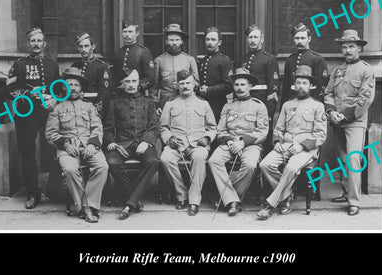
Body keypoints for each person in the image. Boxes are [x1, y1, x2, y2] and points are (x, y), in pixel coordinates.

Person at [257, 65, 327, 220]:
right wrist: (277, 142)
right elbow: (278, 128)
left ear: (311, 86)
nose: (300, 86)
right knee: (264, 165)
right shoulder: (287, 105)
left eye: (304, 83)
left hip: (307, 149)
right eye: (298, 83)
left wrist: (302, 146)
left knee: (291, 167)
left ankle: (270, 205)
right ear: (294, 85)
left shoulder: (318, 106)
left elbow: (321, 135)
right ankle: (287, 196)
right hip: (285, 145)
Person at [5, 27, 60, 209]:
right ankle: (32, 193)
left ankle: (54, 190)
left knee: (54, 150)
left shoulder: (53, 64)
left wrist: (54, 99)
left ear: (45, 43)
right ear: (28, 44)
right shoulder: (19, 65)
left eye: (39, 41)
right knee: (28, 153)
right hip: (26, 114)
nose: (36, 44)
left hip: (48, 113)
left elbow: (59, 89)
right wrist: (28, 94)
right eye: (32, 41)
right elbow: (10, 90)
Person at [45, 67, 109, 223]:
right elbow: (50, 134)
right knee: (70, 169)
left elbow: (97, 128)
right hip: (67, 149)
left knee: (102, 166)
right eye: (69, 85)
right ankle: (83, 207)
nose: (72, 88)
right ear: (63, 87)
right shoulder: (57, 109)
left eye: (76, 85)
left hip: (89, 147)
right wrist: (65, 144)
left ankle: (90, 204)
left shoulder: (89, 107)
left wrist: (93, 145)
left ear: (81, 88)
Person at [323, 29, 375, 216]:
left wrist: (342, 115)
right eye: (344, 47)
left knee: (353, 158)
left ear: (359, 48)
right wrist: (331, 112)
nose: (347, 50)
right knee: (342, 158)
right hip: (337, 121)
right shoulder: (337, 71)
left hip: (355, 122)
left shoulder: (366, 70)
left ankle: (354, 202)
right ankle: (346, 192)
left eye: (351, 46)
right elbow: (328, 93)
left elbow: (365, 100)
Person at [208, 68, 269, 216]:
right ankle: (233, 201)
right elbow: (220, 130)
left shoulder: (259, 105)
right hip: (228, 144)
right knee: (213, 161)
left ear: (250, 87)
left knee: (249, 165)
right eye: (236, 85)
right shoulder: (228, 106)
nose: (239, 88)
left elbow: (262, 131)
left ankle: (229, 198)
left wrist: (242, 142)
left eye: (243, 85)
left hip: (251, 145)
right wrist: (229, 142)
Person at [103, 69, 160, 220]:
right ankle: (134, 199)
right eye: (127, 81)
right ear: (122, 84)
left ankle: (129, 203)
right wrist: (111, 142)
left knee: (153, 161)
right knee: (112, 162)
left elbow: (154, 126)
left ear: (139, 82)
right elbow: (108, 127)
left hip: (143, 143)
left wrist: (147, 141)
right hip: (123, 144)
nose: (131, 85)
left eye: (134, 81)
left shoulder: (149, 102)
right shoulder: (115, 103)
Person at [159, 70, 217, 216]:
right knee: (165, 159)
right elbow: (163, 127)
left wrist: (207, 138)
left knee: (199, 157)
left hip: (198, 144)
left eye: (188, 83)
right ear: (177, 85)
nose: (185, 86)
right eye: (182, 83)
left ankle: (194, 201)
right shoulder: (170, 104)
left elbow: (212, 127)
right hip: (176, 144)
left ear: (194, 84)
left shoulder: (203, 104)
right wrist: (169, 138)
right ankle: (182, 195)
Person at [239, 24, 279, 152]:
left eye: (255, 37)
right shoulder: (244, 59)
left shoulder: (269, 59)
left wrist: (269, 111)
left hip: (262, 101)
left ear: (261, 39)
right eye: (250, 37)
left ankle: (264, 166)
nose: (252, 40)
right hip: (246, 102)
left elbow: (273, 88)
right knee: (248, 131)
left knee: (264, 134)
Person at [152, 24, 199, 110]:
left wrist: (184, 85)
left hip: (186, 101)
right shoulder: (159, 60)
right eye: (171, 40)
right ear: (166, 41)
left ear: (181, 41)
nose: (174, 43)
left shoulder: (189, 59)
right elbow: (154, 87)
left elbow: (196, 83)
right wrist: (156, 105)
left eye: (177, 40)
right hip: (165, 102)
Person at [281, 23, 328, 106]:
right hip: (291, 104)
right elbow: (286, 88)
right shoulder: (290, 60)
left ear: (309, 39)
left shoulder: (317, 59)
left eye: (302, 38)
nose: (299, 41)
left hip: (310, 105)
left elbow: (321, 88)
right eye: (297, 38)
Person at [71, 32, 112, 119]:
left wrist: (95, 111)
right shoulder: (75, 65)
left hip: (93, 106)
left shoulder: (101, 66)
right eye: (80, 47)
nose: (83, 49)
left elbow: (104, 93)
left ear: (93, 46)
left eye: (86, 46)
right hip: (76, 107)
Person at [197, 26, 234, 122]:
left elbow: (229, 86)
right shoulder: (202, 61)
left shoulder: (225, 60)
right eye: (207, 39)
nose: (209, 42)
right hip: (202, 105)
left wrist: (209, 90)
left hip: (218, 106)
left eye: (213, 39)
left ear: (219, 42)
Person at [111, 20, 156, 93]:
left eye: (130, 32)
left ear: (137, 33)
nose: (127, 35)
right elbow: (113, 76)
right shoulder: (118, 53)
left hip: (139, 94)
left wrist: (136, 87)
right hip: (120, 95)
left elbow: (151, 79)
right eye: (125, 32)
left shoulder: (144, 52)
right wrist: (118, 86)